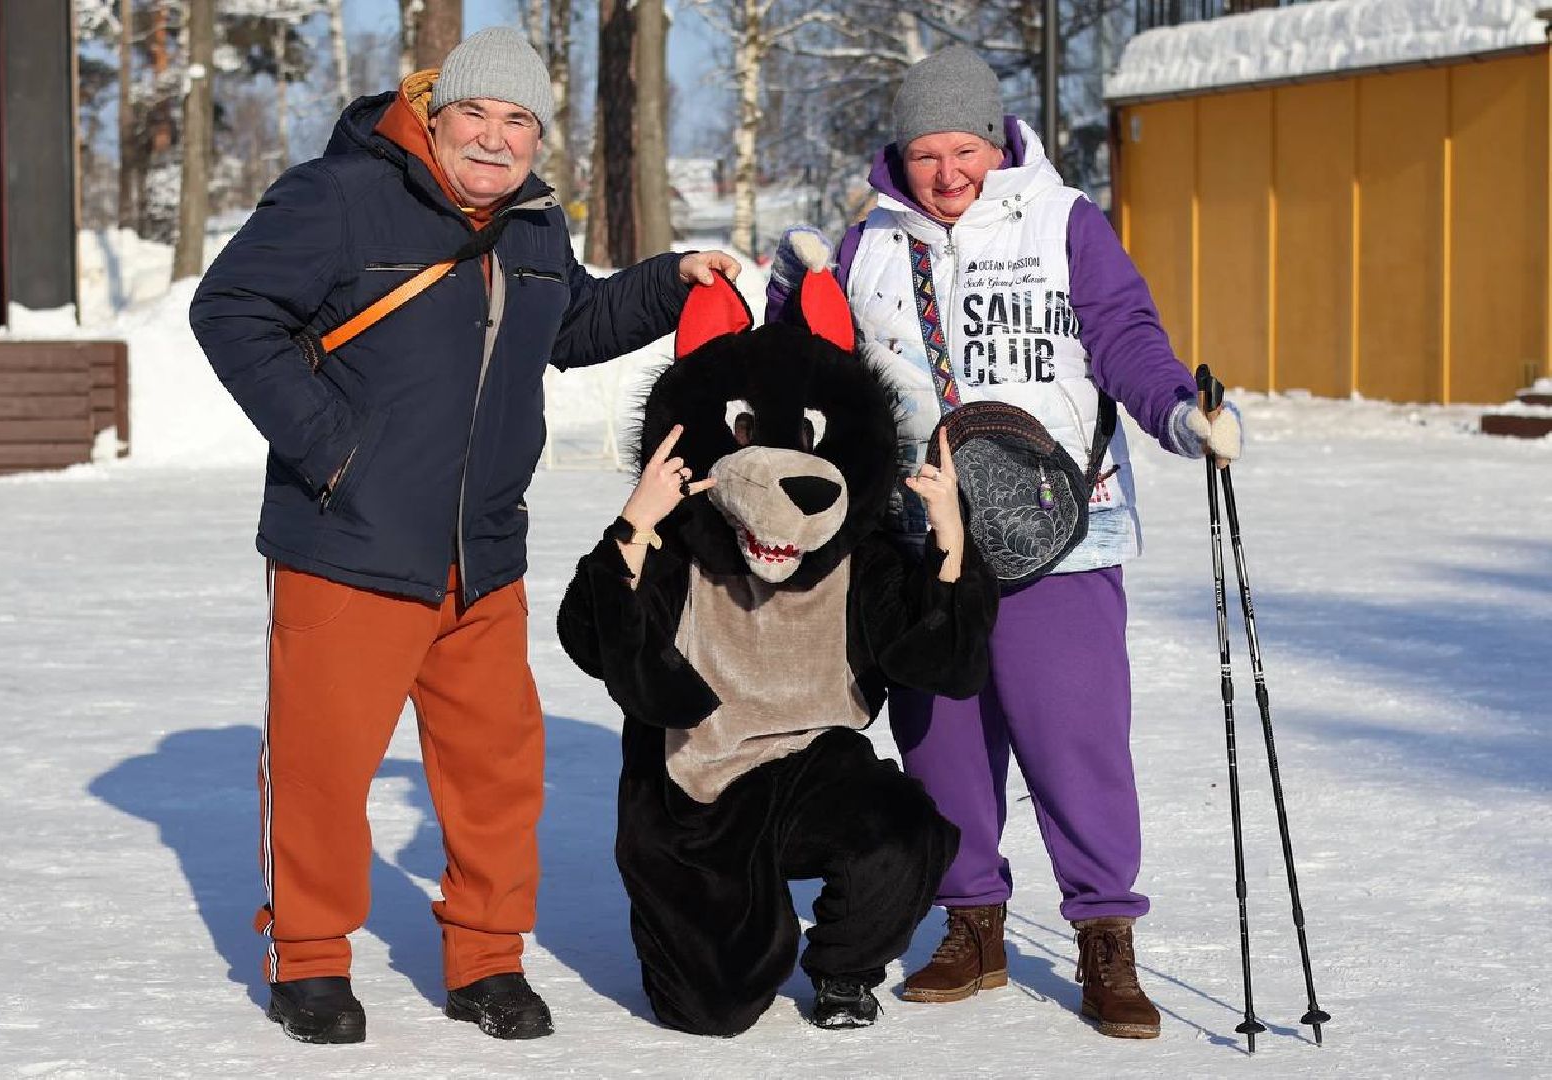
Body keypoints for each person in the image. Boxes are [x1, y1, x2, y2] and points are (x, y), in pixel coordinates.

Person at [190, 26, 739, 1046]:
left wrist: (670, 281)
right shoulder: (339, 197)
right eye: (475, 117)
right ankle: (310, 959)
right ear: (433, 118)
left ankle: (486, 959)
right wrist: (329, 448)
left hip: (480, 553)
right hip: (349, 542)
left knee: (496, 772)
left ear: (537, 135)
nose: (494, 138)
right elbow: (231, 310)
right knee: (325, 767)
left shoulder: (532, 223)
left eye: (517, 121)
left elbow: (568, 329)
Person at [766, 45, 1242, 1040]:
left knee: (1074, 739)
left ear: (998, 139)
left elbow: (1124, 336)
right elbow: (801, 364)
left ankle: (1104, 936)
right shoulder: (866, 245)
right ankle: (970, 924)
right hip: (915, 536)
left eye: (966, 149)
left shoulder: (1065, 223)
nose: (949, 174)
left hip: (1060, 529)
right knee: (940, 743)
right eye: (929, 153)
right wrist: (789, 282)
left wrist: (1179, 416)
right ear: (901, 153)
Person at [555, 268, 995, 1035]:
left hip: (812, 765)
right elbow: (594, 644)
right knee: (709, 1011)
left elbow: (939, 660)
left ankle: (845, 968)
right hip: (694, 786)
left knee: (901, 832)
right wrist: (634, 524)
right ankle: (730, 934)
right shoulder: (672, 543)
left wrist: (950, 539)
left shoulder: (861, 556)